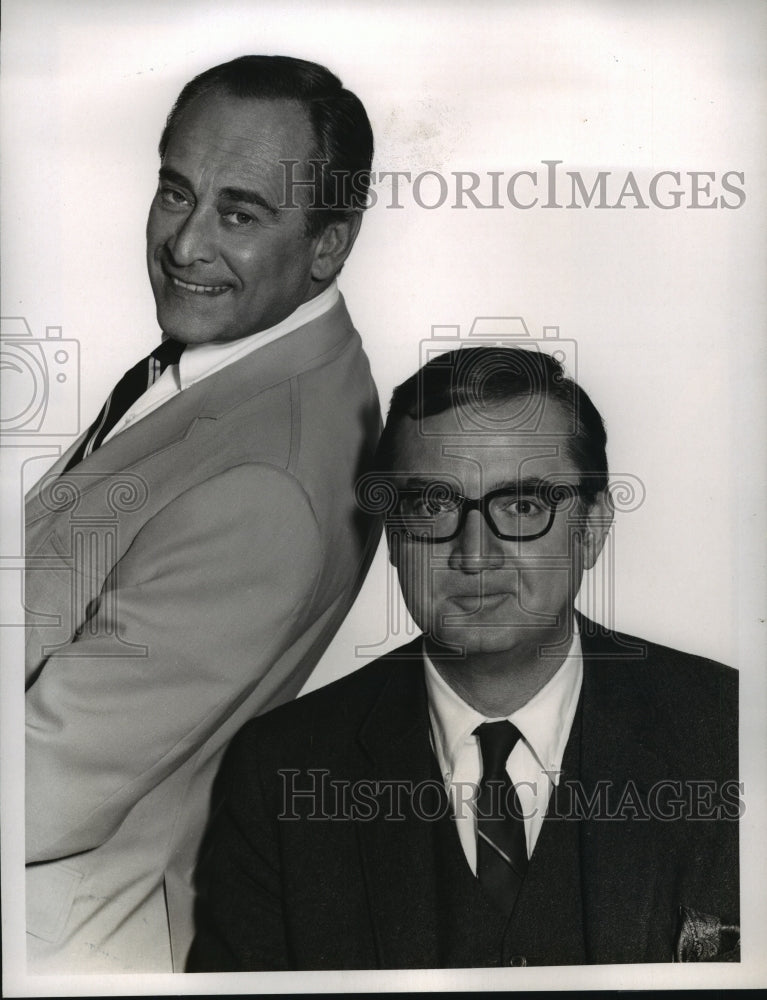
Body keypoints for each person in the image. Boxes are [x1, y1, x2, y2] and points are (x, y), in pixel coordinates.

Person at [188, 346, 739, 970]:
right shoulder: (280, 771)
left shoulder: (732, 731)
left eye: (523, 507)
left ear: (591, 532)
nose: (475, 556)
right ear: (394, 539)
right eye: (433, 507)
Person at [24, 55, 380, 973]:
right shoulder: (253, 357)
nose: (184, 246)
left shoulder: (269, 483)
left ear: (329, 244)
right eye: (176, 193)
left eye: (240, 213)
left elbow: (37, 792)